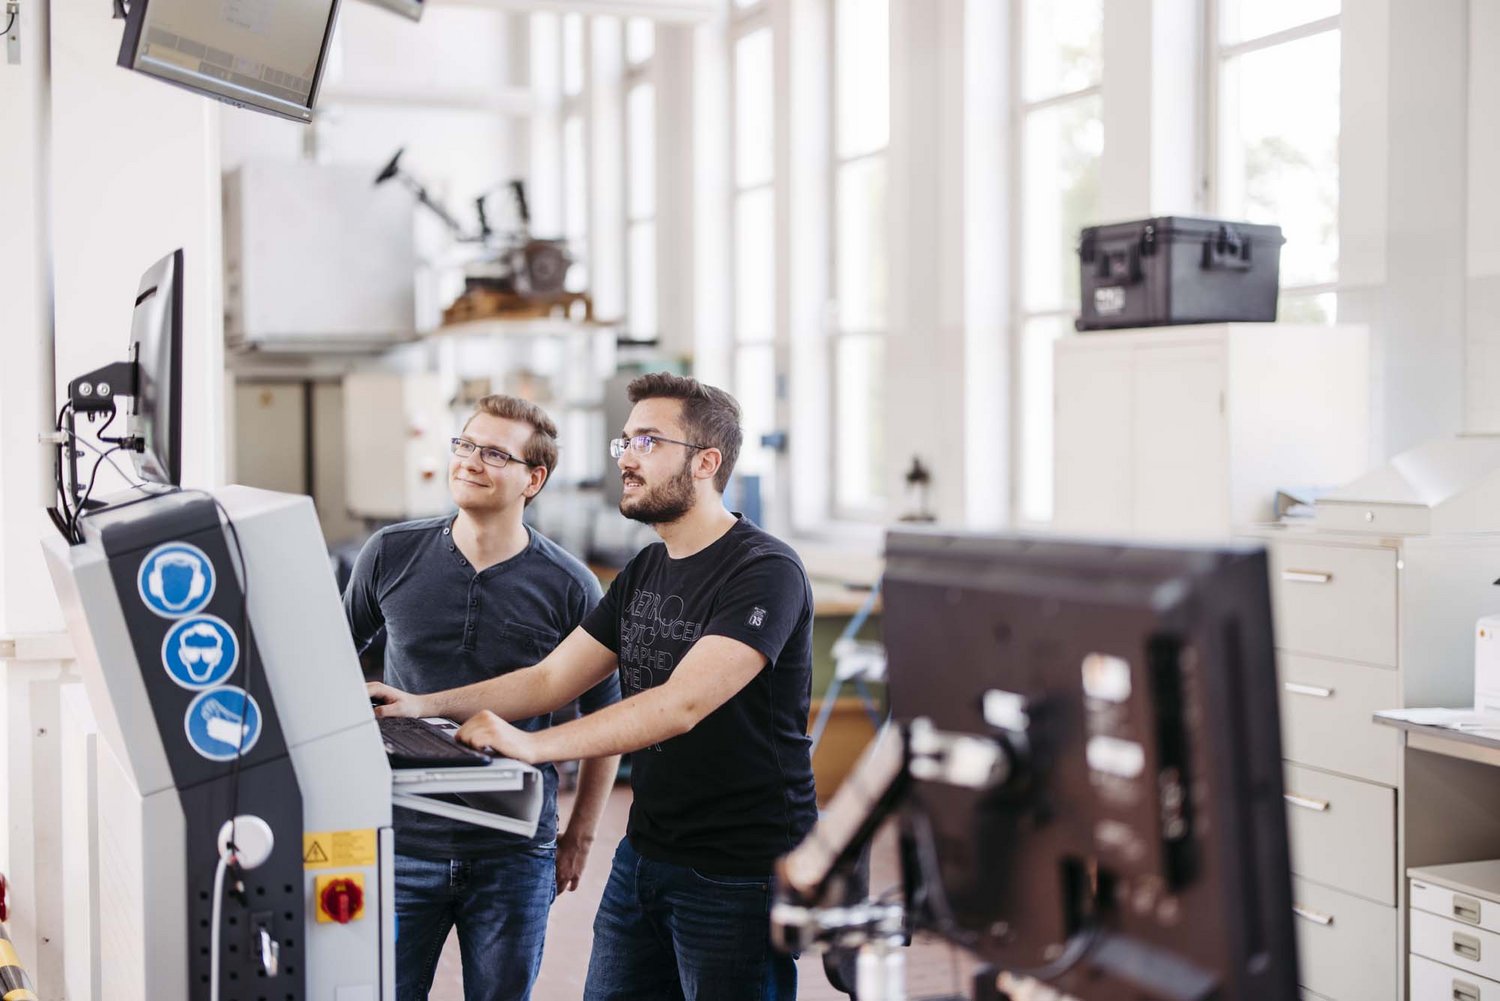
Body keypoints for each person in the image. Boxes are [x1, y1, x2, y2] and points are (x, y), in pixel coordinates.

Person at [369, 372, 817, 1000]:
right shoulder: (646, 569)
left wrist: (534, 748)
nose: (627, 458)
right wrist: (423, 705)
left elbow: (681, 704)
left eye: (648, 443)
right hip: (646, 855)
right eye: (625, 442)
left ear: (706, 463)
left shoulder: (765, 570)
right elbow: (552, 677)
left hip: (737, 869)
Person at [345, 394, 621, 1001]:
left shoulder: (570, 585)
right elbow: (331, 670)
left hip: (514, 850)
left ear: (533, 478)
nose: (471, 461)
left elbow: (606, 718)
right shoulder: (390, 554)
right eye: (466, 444)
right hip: (399, 838)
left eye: (495, 452)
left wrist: (578, 836)